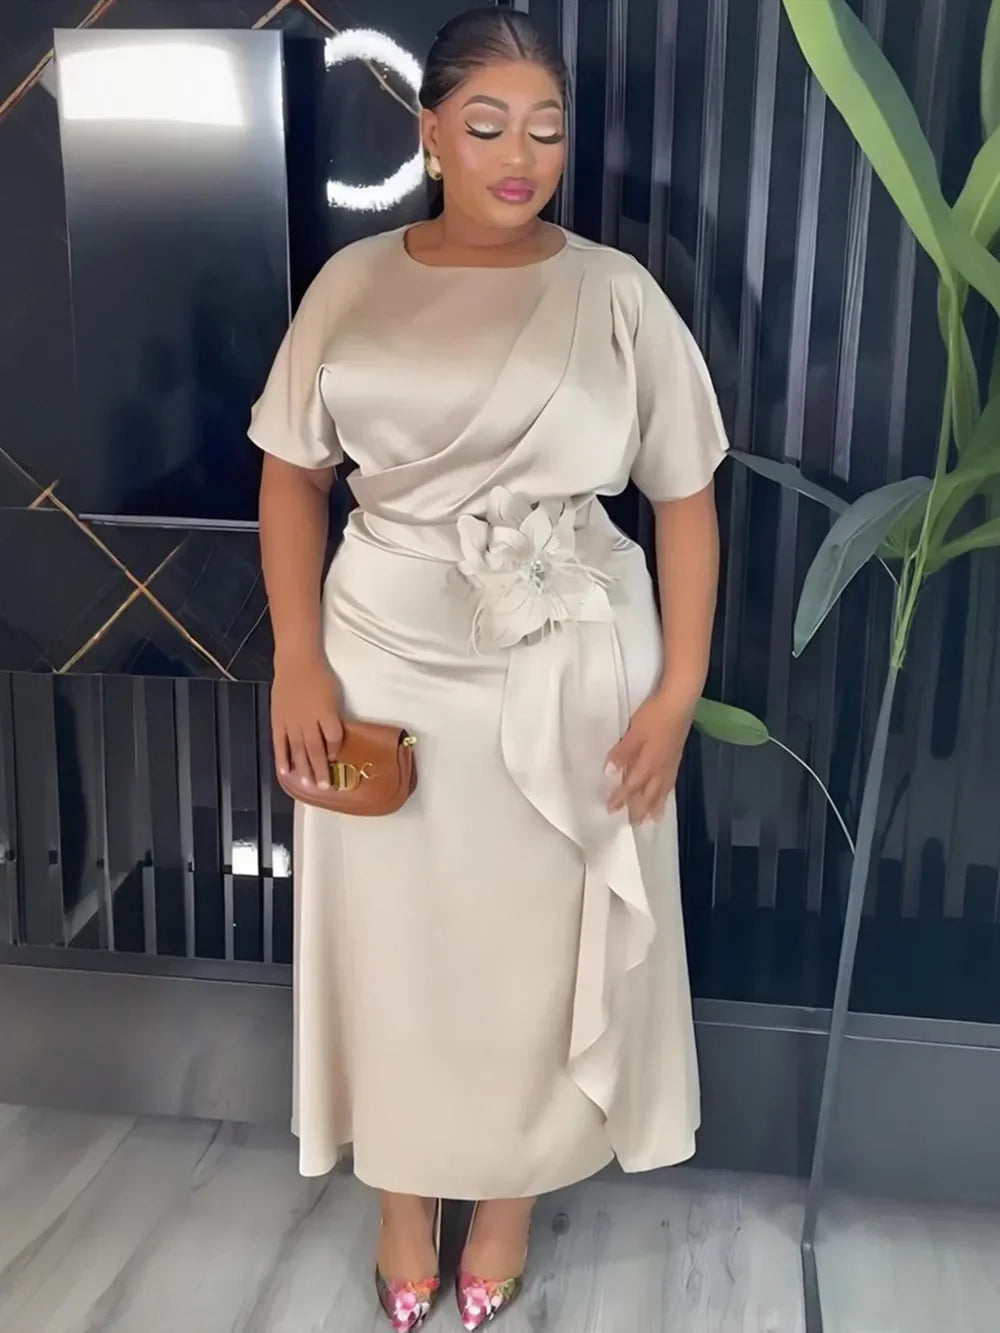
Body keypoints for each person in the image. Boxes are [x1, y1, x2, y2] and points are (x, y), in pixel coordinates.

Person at [249, 8, 727, 1330]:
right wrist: (296, 660)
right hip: (381, 663)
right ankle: (403, 1198)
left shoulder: (616, 293)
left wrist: (679, 686)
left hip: (571, 660)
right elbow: (290, 474)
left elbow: (686, 497)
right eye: (488, 124)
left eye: (546, 129)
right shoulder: (351, 284)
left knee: (536, 949)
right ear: (430, 134)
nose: (522, 156)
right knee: (394, 945)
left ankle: (508, 1199)